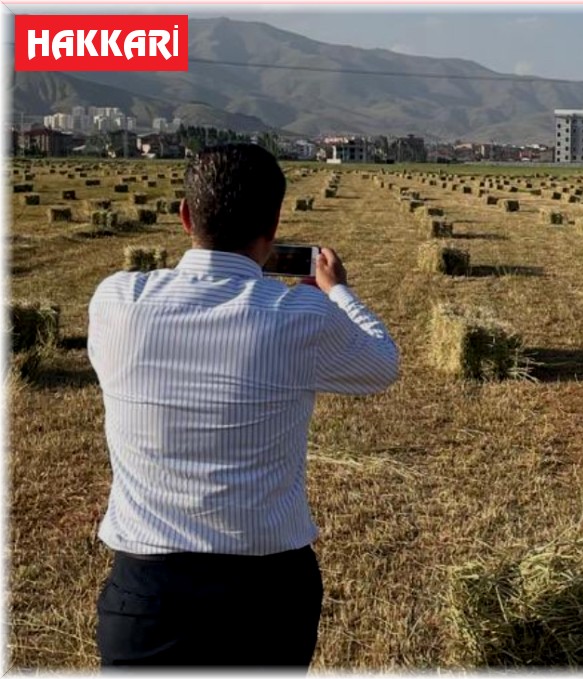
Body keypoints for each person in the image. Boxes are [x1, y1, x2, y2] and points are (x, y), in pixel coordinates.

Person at [87, 143, 399, 669]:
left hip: (147, 594)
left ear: (186, 215)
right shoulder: (297, 315)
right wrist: (338, 292)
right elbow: (382, 363)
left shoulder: (116, 302)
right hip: (266, 592)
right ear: (275, 224)